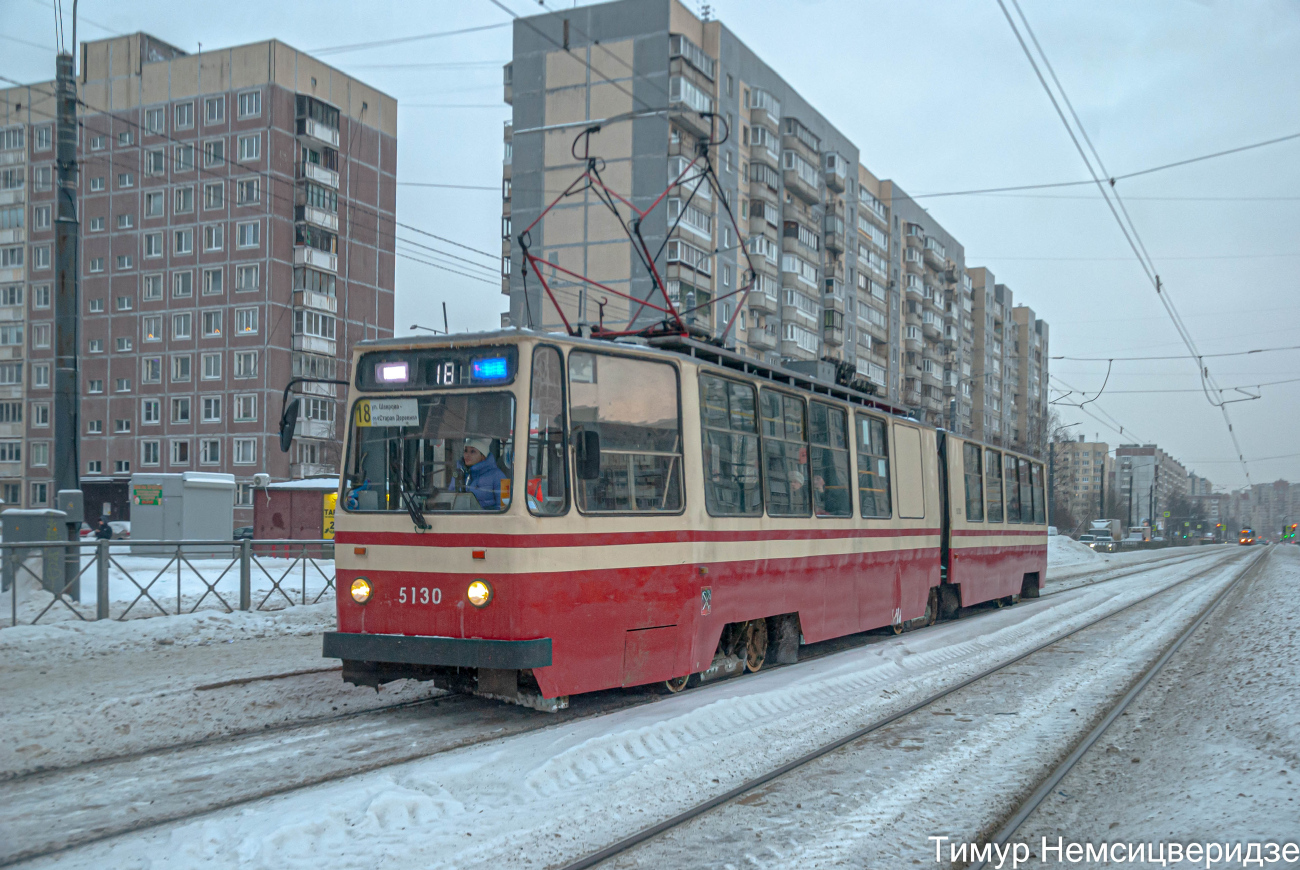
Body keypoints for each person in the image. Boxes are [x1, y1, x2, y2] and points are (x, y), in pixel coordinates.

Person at [458, 437, 507, 510]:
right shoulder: (460, 473)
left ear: (483, 456)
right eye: (465, 451)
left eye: (472, 451)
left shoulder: (499, 476)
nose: (467, 455)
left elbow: (504, 506)